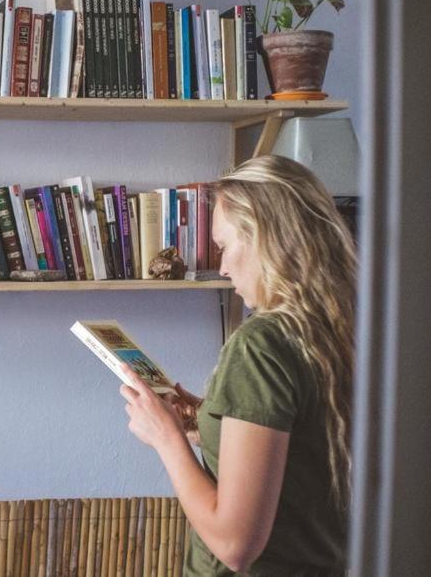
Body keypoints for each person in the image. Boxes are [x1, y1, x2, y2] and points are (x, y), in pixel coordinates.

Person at [120, 155, 357, 575]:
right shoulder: (341, 330)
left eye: (226, 247)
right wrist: (208, 425)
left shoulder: (261, 345)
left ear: (267, 238)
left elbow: (235, 544)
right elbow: (300, 457)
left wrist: (166, 439)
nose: (224, 268)